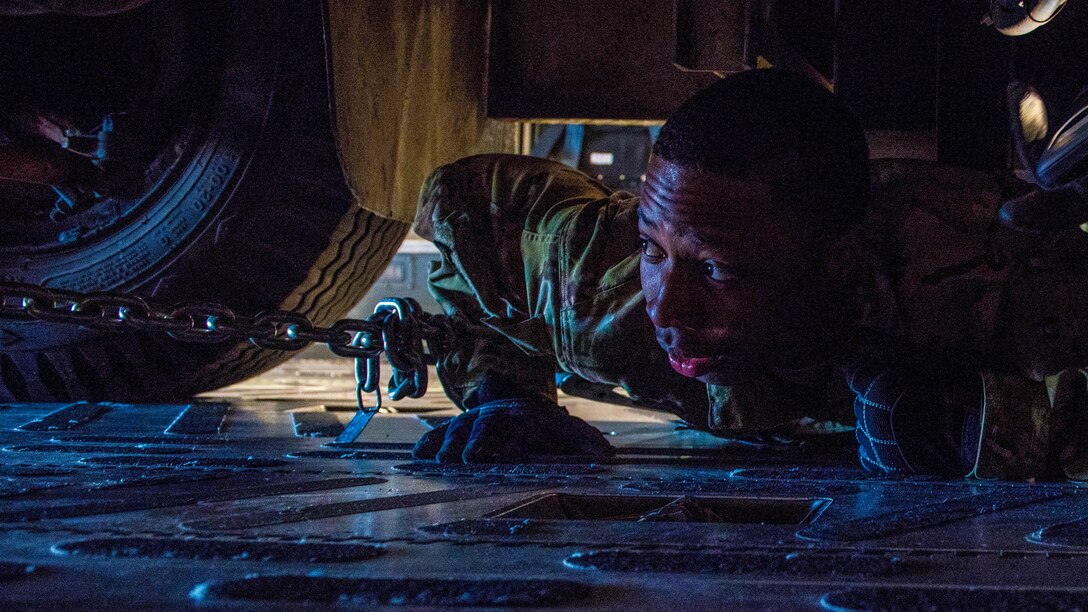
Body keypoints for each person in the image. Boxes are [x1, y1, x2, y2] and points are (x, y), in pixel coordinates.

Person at [411, 68, 1088, 481]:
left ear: (837, 264)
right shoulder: (601, 289)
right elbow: (468, 199)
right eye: (655, 251)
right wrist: (505, 395)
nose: (668, 313)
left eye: (717, 269)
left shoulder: (998, 293)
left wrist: (984, 428)